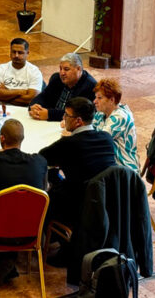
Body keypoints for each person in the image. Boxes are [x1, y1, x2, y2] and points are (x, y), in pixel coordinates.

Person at [39, 97, 116, 267]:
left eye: (66, 115)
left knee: (46, 200)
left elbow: (42, 157)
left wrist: (64, 139)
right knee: (56, 179)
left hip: (80, 204)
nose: (64, 118)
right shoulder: (106, 138)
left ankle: (59, 244)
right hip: (108, 200)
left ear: (78, 121)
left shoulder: (68, 144)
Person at [0, 119, 47, 286]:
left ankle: (6, 260)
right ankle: (8, 261)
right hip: (31, 232)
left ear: (2, 138)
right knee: (13, 213)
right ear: (22, 139)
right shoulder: (39, 162)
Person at [29, 53, 97, 121]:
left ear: (78, 69)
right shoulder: (56, 79)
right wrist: (35, 106)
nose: (62, 73)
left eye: (66, 69)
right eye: (60, 69)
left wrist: (49, 114)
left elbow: (78, 114)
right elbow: (43, 96)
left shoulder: (90, 86)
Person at [92, 78, 140, 171]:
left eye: (99, 98)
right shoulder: (101, 113)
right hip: (109, 166)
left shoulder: (119, 118)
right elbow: (89, 130)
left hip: (124, 172)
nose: (95, 101)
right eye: (95, 97)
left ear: (112, 100)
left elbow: (99, 142)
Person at [0, 38, 44, 106]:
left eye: (20, 53)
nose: (16, 55)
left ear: (27, 53)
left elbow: (31, 100)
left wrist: (6, 92)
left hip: (24, 112)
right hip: (2, 111)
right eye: (14, 52)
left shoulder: (35, 72)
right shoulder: (1, 68)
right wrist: (21, 92)